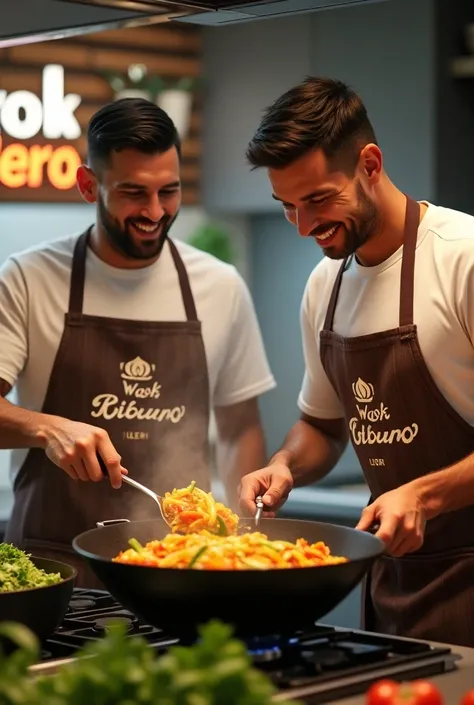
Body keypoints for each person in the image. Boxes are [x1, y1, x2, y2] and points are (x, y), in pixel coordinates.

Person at [238, 76, 474, 647]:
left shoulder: (462, 259)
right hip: (395, 583)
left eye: (318, 199)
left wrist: (422, 495)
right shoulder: (327, 286)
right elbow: (323, 425)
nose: (302, 226)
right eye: (287, 205)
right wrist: (286, 464)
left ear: (370, 163)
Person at [0, 98, 276, 587]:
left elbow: (239, 428)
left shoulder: (219, 285)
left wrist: (239, 540)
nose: (154, 212)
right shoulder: (28, 278)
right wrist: (46, 429)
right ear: (90, 185)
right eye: (133, 193)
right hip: (55, 575)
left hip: (182, 570)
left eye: (168, 192)